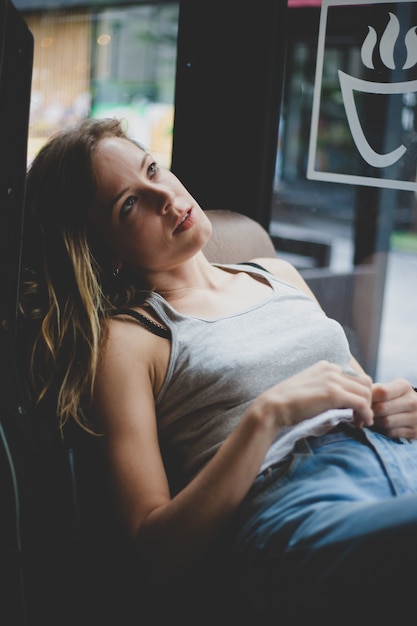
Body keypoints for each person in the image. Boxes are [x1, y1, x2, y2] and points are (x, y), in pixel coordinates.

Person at [20, 117, 417, 624]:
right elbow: (153, 556)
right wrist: (265, 418)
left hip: (395, 460)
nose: (164, 196)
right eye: (129, 204)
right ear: (102, 250)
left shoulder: (278, 274)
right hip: (299, 506)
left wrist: (402, 406)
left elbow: (363, 391)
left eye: (153, 170)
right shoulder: (130, 340)